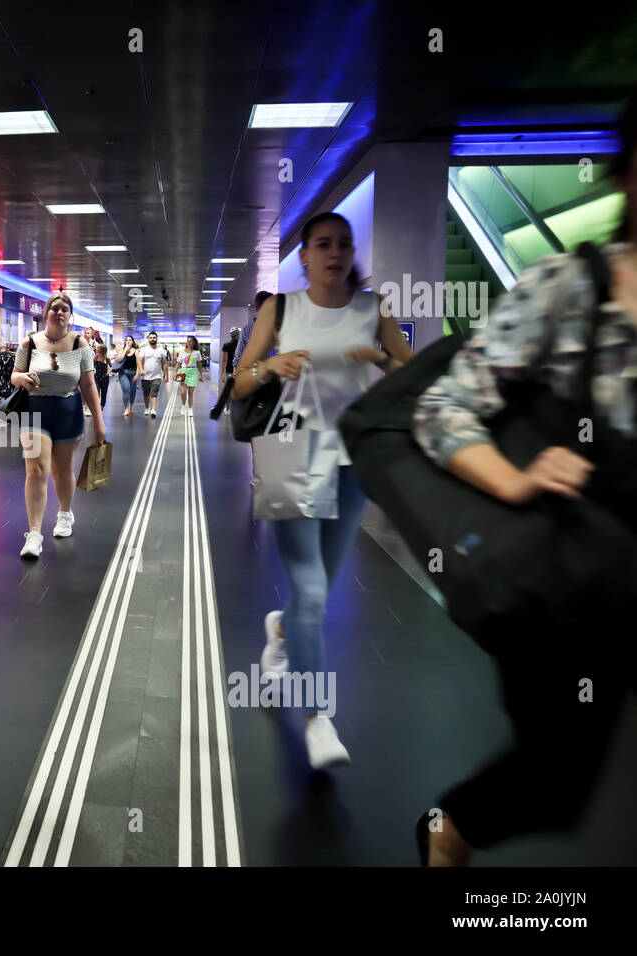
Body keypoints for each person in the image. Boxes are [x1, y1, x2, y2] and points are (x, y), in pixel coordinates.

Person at [410, 94, 637, 867]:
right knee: (557, 777)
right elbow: (443, 406)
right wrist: (515, 478)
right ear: (627, 172)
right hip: (567, 576)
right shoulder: (567, 289)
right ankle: (451, 830)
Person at [230, 211, 413, 769]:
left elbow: (413, 372)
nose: (334, 253)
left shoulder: (372, 309)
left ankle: (280, 629)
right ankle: (317, 718)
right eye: (322, 244)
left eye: (343, 244)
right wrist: (269, 365)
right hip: (290, 455)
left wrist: (383, 358)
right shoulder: (279, 308)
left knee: (321, 591)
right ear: (304, 256)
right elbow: (235, 384)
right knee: (310, 590)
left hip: (350, 463)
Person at [12, 293, 106, 559]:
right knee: (37, 468)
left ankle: (64, 514)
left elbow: (88, 384)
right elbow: (14, 376)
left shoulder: (80, 343)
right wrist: (22, 379)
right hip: (34, 409)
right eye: (55, 308)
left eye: (65, 309)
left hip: (68, 409)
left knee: (62, 469)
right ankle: (34, 533)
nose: (60, 313)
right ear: (46, 313)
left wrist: (98, 421)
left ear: (70, 315)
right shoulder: (29, 343)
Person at [135, 331, 170, 417]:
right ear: (148, 339)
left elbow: (165, 364)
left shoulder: (161, 351)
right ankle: (147, 408)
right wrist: (141, 369)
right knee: (146, 394)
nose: (152, 339)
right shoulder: (144, 350)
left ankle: (153, 410)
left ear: (157, 339)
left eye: (154, 338)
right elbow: (139, 360)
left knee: (154, 393)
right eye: (150, 338)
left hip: (157, 376)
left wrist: (166, 375)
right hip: (145, 376)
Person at [113, 334, 139, 418]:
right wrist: (125, 350)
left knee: (133, 391)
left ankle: (131, 405)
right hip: (123, 373)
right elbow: (119, 359)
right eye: (126, 340)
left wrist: (137, 374)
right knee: (126, 388)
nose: (128, 341)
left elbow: (139, 364)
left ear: (132, 342)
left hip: (133, 372)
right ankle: (126, 408)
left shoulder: (136, 351)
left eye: (130, 340)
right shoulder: (122, 350)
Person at [177, 336, 201, 417]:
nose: (189, 342)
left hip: (193, 372)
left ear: (194, 343)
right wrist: (174, 372)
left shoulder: (197, 352)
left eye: (191, 341)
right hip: (184, 372)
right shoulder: (182, 352)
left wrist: (201, 375)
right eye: (188, 341)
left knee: (191, 393)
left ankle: (190, 409)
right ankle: (183, 406)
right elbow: (178, 363)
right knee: (183, 392)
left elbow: (199, 364)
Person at [92, 343, 110, 413]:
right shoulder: (95, 357)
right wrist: (93, 371)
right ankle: (96, 406)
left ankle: (102, 406)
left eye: (97, 348)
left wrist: (108, 373)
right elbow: (91, 365)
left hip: (105, 377)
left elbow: (111, 367)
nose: (96, 349)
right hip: (97, 377)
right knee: (96, 391)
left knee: (104, 392)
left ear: (102, 350)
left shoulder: (106, 358)